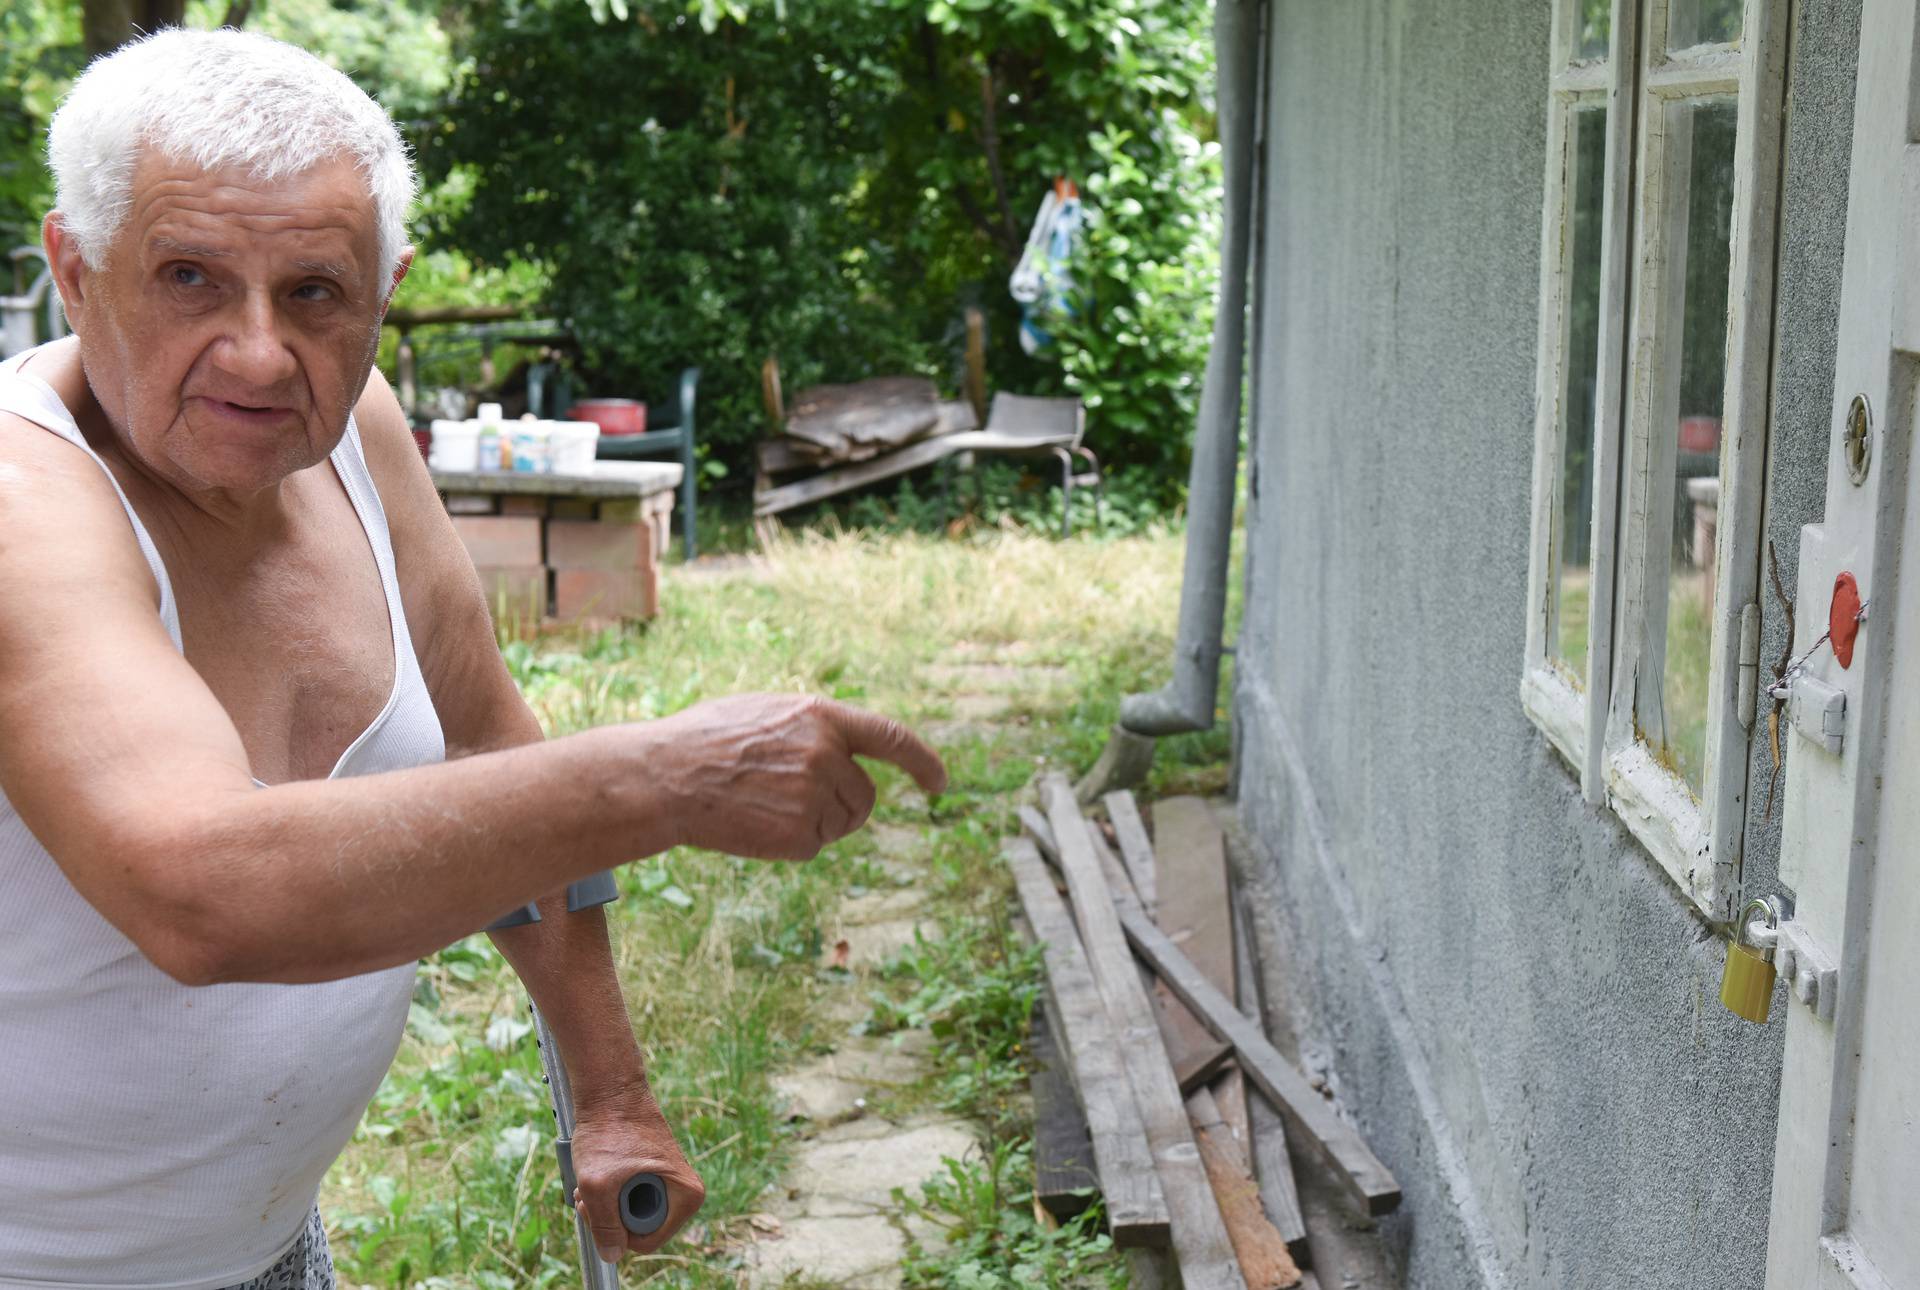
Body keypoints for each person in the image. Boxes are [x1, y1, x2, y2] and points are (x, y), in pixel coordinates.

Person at [0, 27, 946, 1289]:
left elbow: (490, 737)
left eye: (316, 293)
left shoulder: (353, 432)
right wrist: (663, 777)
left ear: (384, 291)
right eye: (188, 277)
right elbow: (198, 889)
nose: (260, 352)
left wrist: (608, 1093)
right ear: (76, 268)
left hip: (266, 1248)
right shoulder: (21, 498)